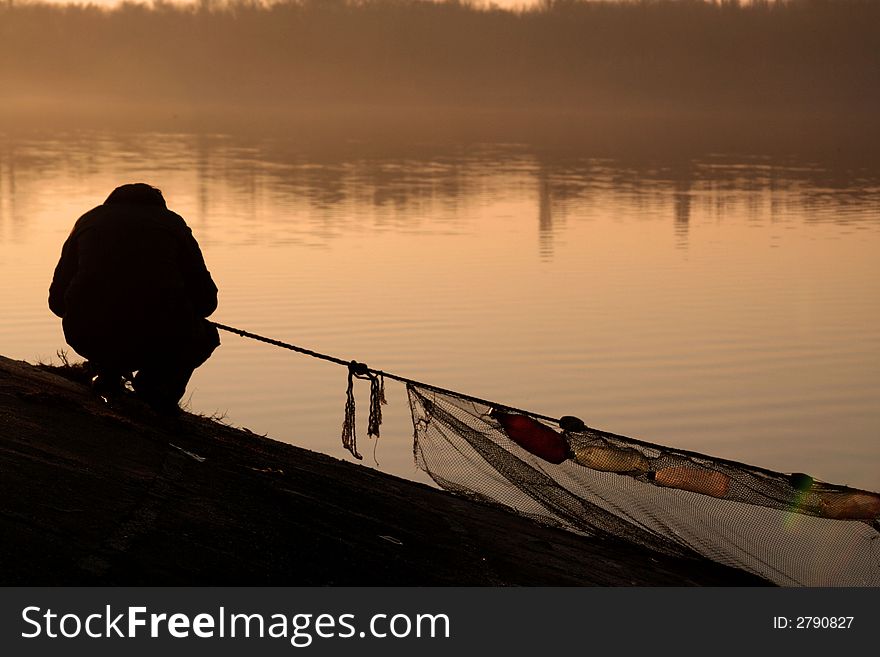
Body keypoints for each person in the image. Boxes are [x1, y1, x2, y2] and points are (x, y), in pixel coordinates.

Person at [49, 183, 220, 413]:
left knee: (110, 323)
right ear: (159, 208)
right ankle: (155, 389)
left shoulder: (88, 220)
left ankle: (108, 371)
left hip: (85, 333)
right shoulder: (172, 224)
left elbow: (56, 302)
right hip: (156, 340)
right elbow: (207, 301)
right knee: (206, 335)